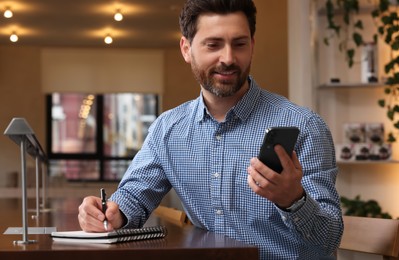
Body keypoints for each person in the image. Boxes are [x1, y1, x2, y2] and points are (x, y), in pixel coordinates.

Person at [78, 0, 343, 258]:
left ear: (251, 46)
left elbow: (330, 239)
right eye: (213, 45)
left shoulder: (304, 126)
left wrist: (293, 201)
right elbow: (133, 197)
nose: (228, 58)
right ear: (186, 48)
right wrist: (111, 214)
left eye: (239, 44)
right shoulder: (168, 130)